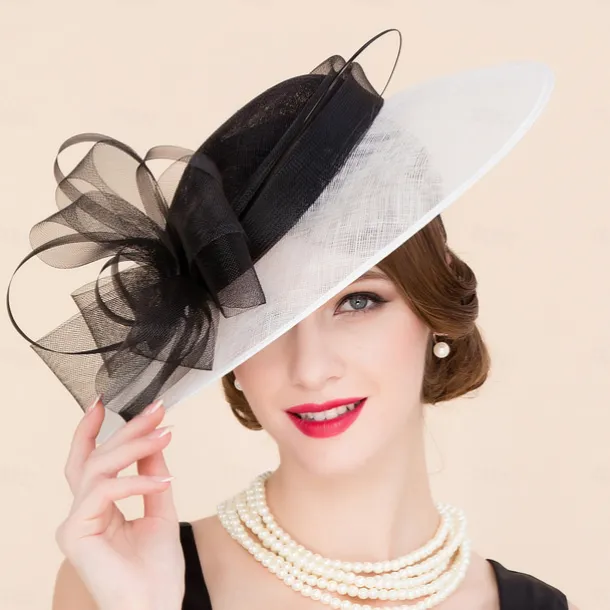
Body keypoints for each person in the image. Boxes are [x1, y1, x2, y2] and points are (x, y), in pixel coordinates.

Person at [7, 29, 579, 610]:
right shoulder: (113, 583)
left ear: (430, 305)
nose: (309, 368)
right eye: (267, 321)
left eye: (358, 302)